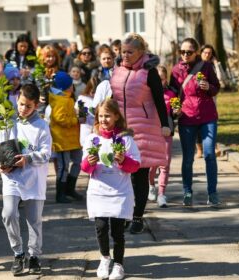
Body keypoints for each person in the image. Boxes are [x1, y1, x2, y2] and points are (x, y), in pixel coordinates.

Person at [110, 33, 171, 234]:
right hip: (120, 128)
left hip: (143, 127)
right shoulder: (117, 71)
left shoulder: (148, 72)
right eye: (122, 51)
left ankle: (137, 217)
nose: (125, 55)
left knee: (139, 172)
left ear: (141, 52)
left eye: (130, 52)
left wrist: (165, 124)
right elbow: (113, 98)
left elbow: (159, 100)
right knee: (122, 173)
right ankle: (126, 213)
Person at [81, 99, 140, 280]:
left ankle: (119, 264)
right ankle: (105, 257)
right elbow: (84, 167)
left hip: (119, 192)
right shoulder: (92, 139)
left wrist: (123, 160)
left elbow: (136, 165)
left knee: (117, 231)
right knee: (100, 227)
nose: (104, 119)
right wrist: (89, 163)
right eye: (101, 116)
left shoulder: (125, 139)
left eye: (107, 115)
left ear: (116, 116)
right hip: (98, 191)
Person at [0, 84, 52, 276]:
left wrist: (28, 159)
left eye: (28, 106)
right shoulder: (8, 122)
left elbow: (46, 153)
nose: (23, 109)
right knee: (9, 213)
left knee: (34, 220)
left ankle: (34, 255)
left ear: (36, 105)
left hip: (33, 179)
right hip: (12, 177)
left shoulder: (42, 126)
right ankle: (18, 252)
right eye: (20, 104)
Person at [170, 37, 220, 207]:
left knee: (209, 154)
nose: (185, 55)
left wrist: (209, 88)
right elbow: (172, 94)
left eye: (189, 52)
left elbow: (216, 87)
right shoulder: (176, 70)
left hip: (207, 116)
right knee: (188, 158)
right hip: (187, 117)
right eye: (182, 52)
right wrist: (174, 109)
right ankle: (187, 191)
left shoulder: (206, 67)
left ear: (196, 52)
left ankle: (212, 193)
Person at [49, 71, 83, 203]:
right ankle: (60, 193)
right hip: (62, 140)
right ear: (65, 87)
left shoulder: (68, 98)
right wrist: (75, 120)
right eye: (71, 85)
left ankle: (70, 188)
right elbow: (59, 118)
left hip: (72, 138)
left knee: (77, 162)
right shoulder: (60, 100)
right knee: (63, 167)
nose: (73, 87)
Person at [147, 65, 177, 207]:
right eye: (157, 79)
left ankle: (162, 194)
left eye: (162, 79)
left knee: (164, 164)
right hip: (152, 132)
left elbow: (175, 113)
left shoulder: (171, 94)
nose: (160, 82)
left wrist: (177, 111)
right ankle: (151, 185)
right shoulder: (147, 94)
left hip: (166, 131)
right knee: (152, 164)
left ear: (166, 79)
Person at [75, 76, 99, 146]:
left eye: (96, 92)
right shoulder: (82, 99)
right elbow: (81, 120)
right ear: (88, 89)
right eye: (92, 92)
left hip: (98, 132)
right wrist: (81, 114)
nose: (94, 94)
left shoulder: (101, 99)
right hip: (86, 132)